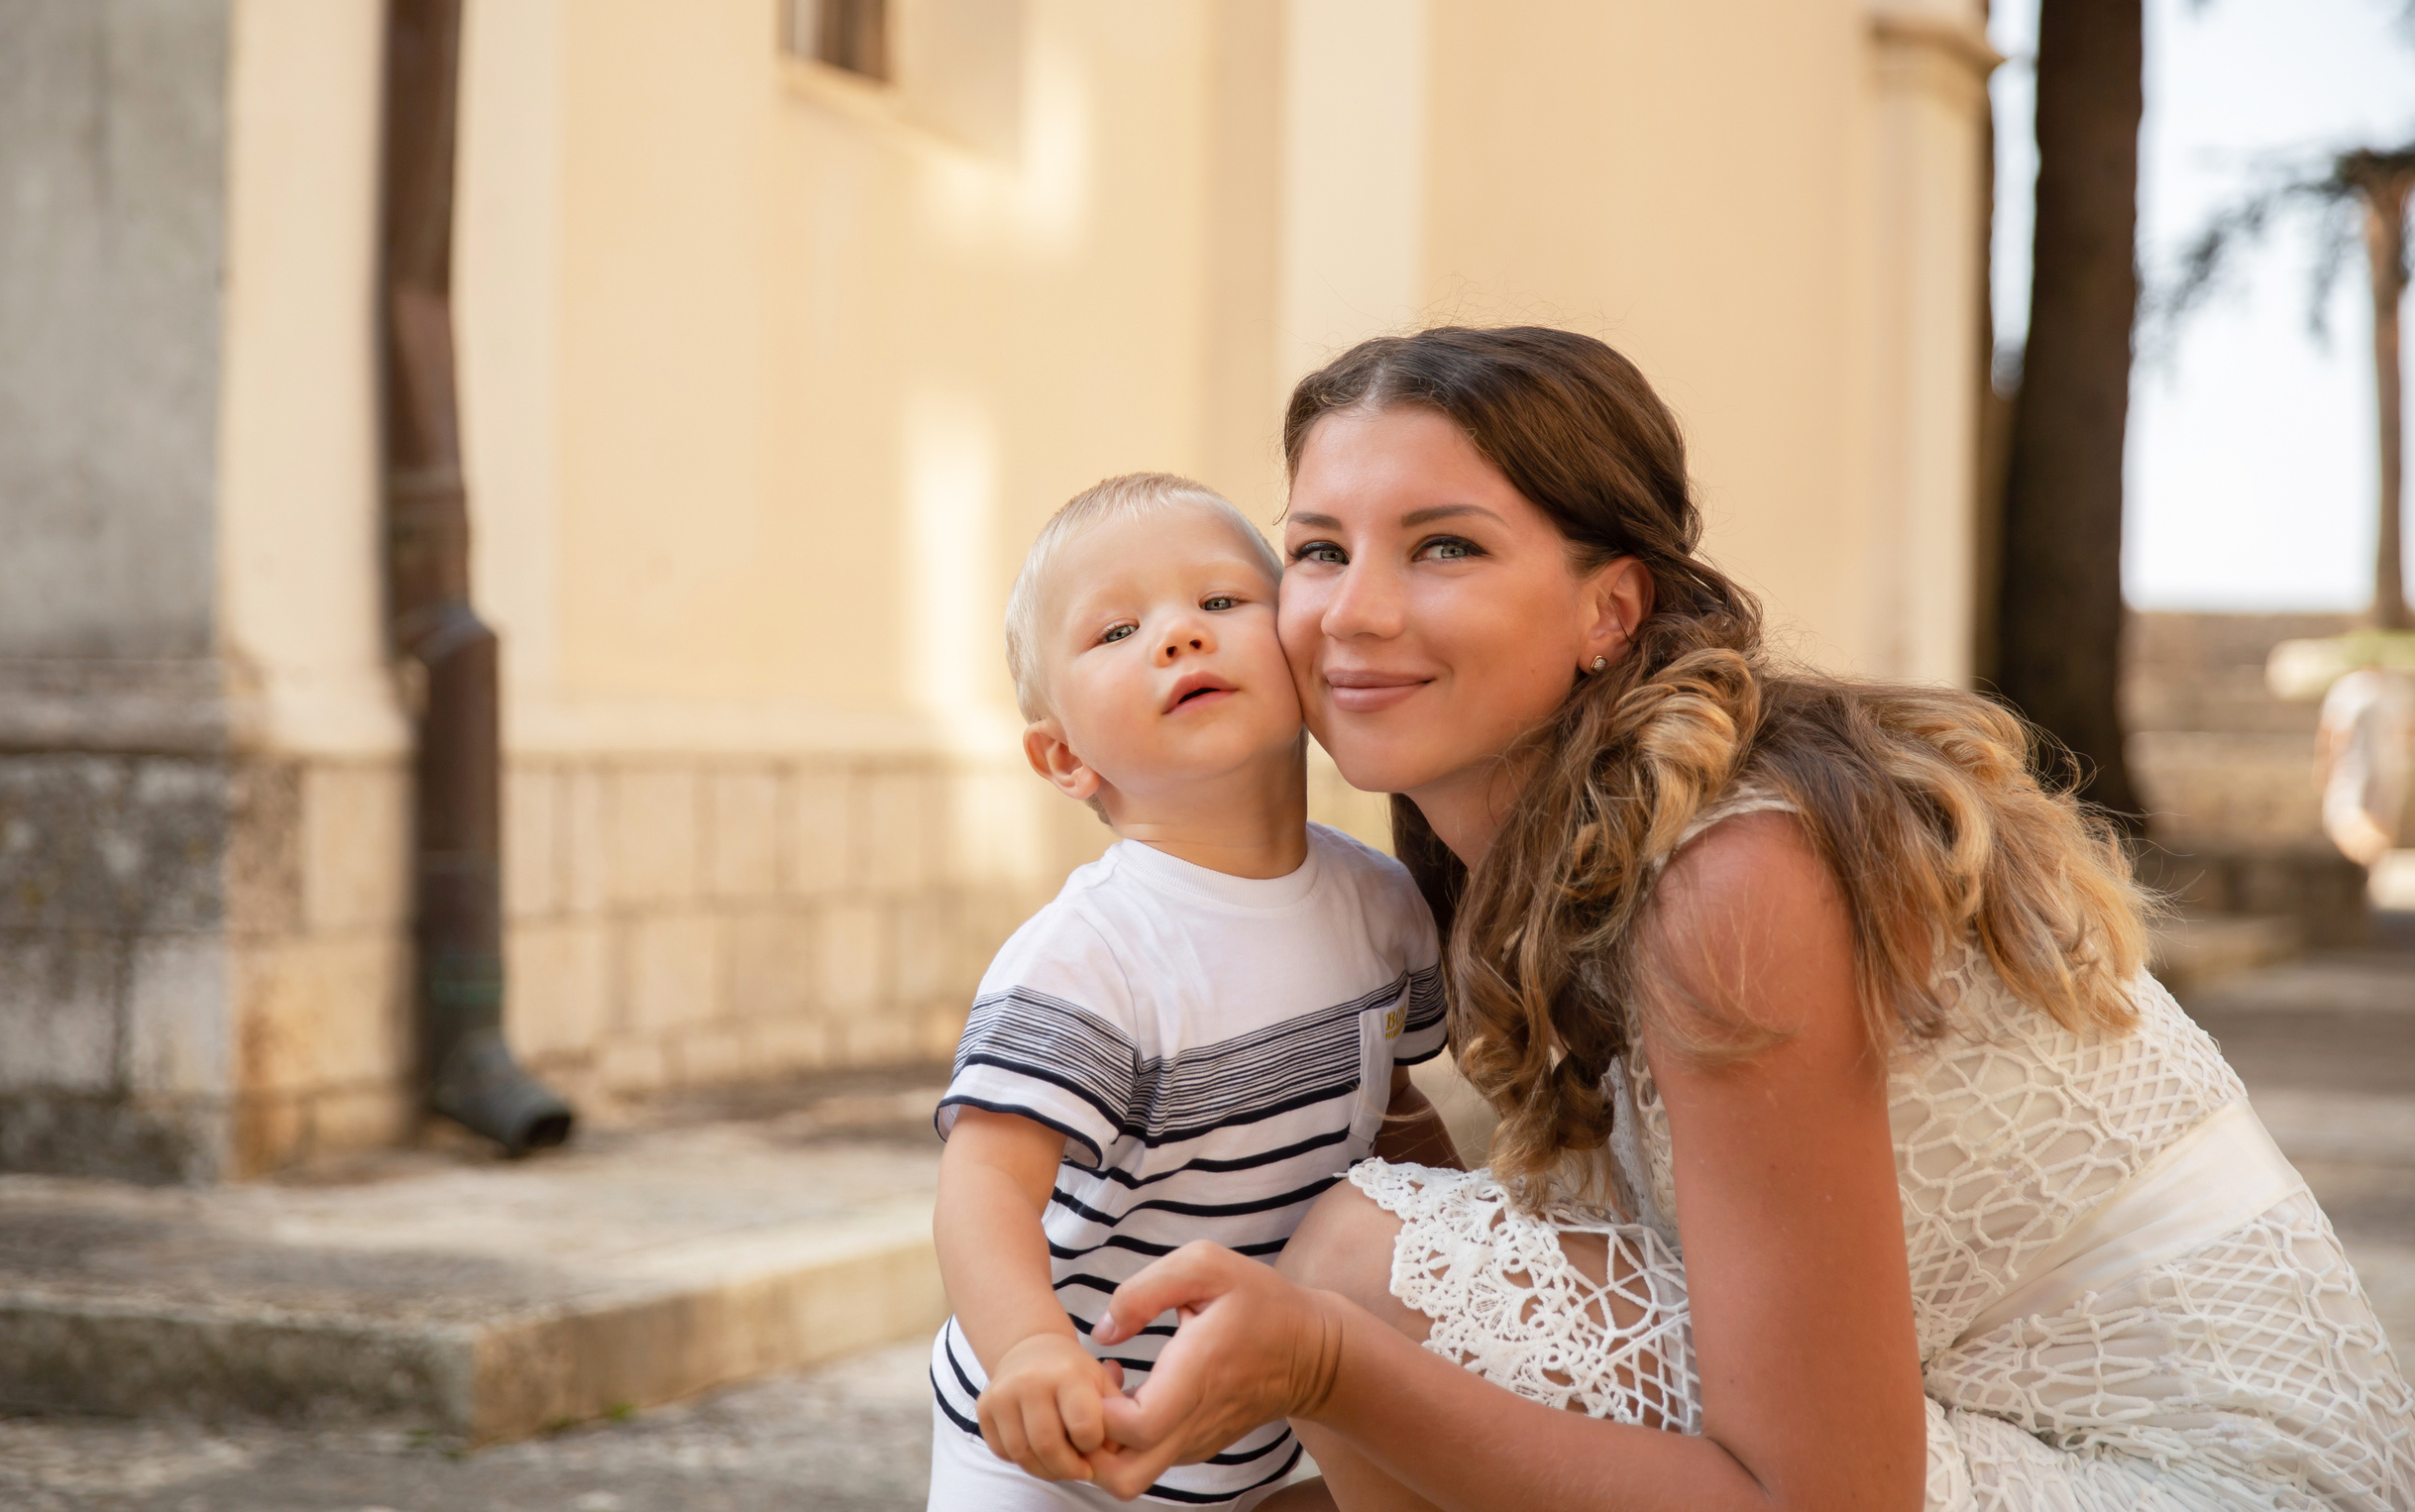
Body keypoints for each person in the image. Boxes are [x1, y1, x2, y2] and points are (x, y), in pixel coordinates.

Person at [1070, 328, 2415, 1510]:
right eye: (1316, 550)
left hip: (2199, 1483)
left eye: (1446, 547)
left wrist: (1323, 1358)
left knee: (1367, 1268)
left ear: (1613, 606)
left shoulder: (1737, 872)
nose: (1353, 611)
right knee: (1361, 1238)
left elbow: (1827, 1498)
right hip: (1973, 1432)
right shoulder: (1520, 843)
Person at [927, 473, 1462, 1511]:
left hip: (1254, 1432)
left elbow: (1391, 1111)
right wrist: (1032, 1352)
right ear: (1064, 756)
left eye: (1220, 603)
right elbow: (983, 1188)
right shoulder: (1086, 958)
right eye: (1118, 629)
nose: (1179, 636)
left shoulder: (1381, 903)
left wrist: (1459, 1226)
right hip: (1058, 1441)